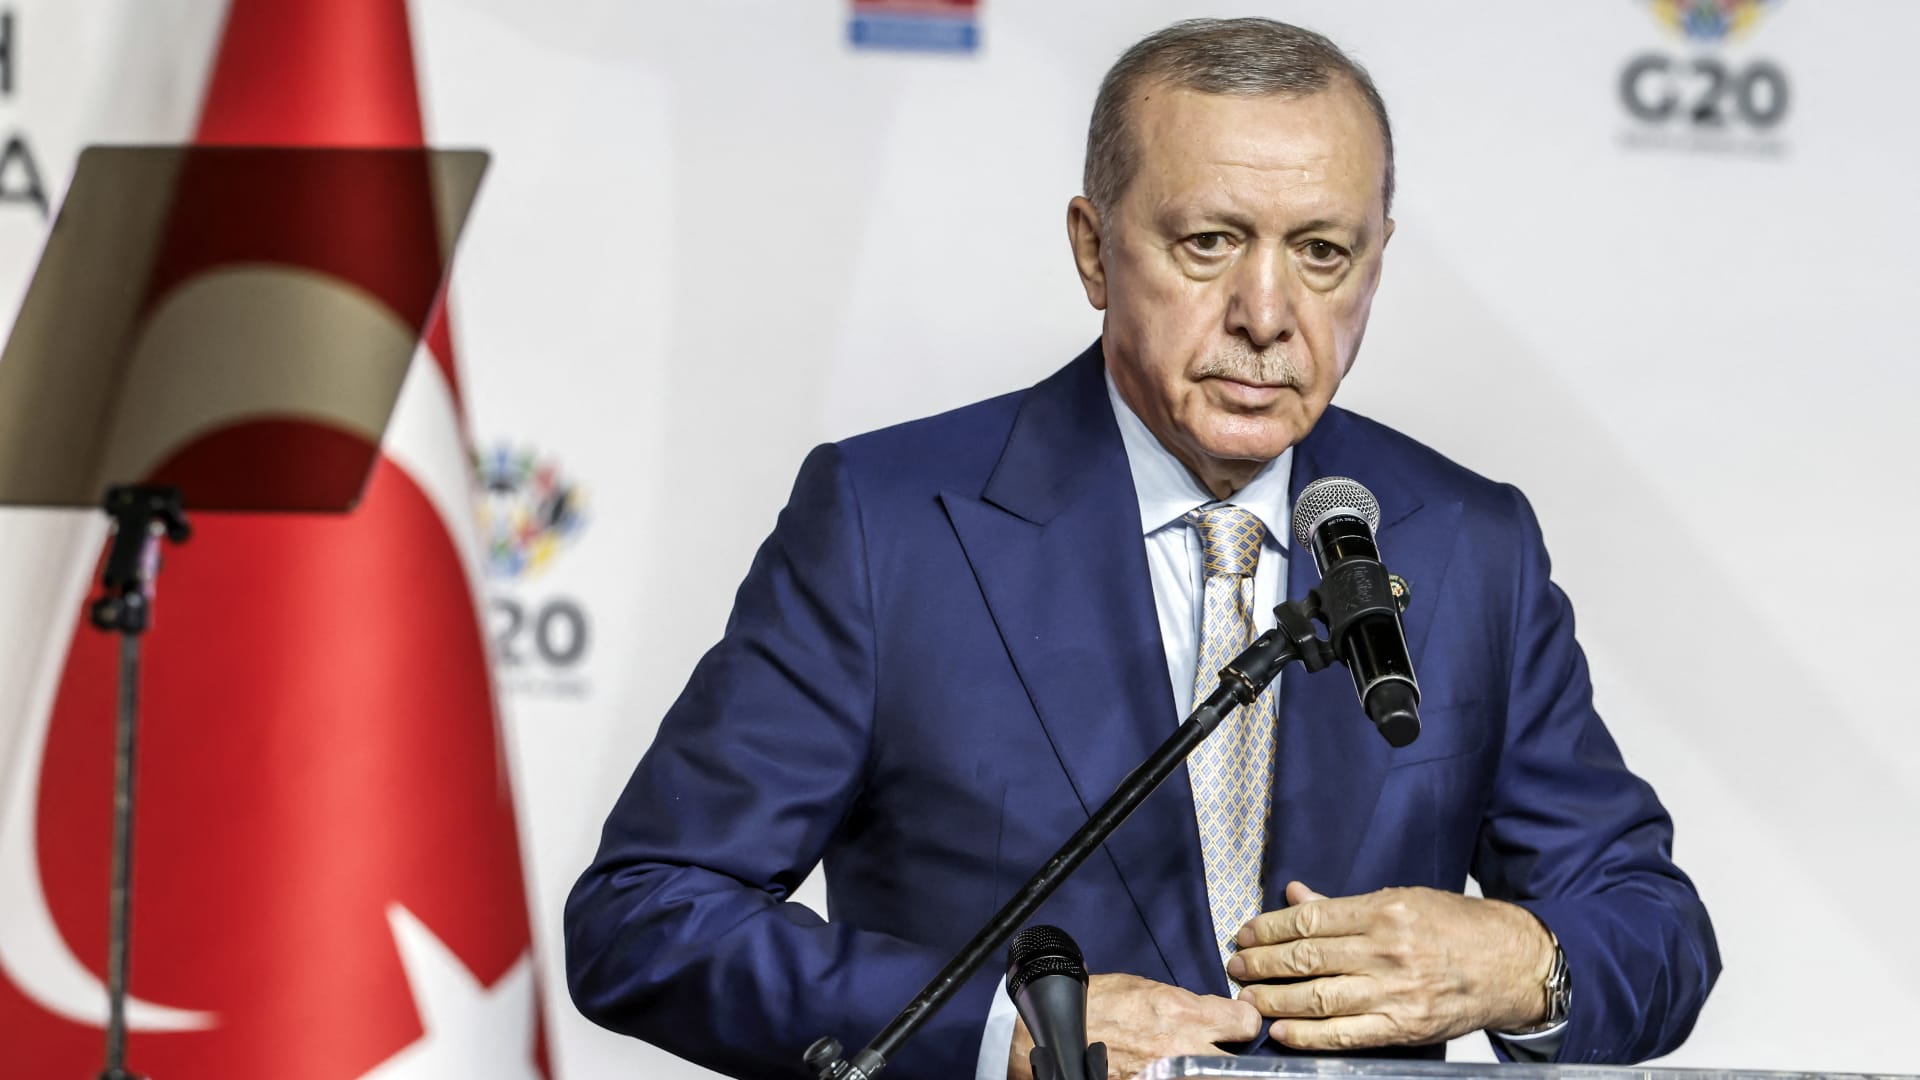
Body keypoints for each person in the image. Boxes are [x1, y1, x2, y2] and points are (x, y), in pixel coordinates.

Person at [564, 18, 1719, 1080]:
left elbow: (1651, 925)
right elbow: (649, 913)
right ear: (1094, 249)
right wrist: (1005, 1034)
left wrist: (1520, 963)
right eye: (1211, 242)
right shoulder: (889, 525)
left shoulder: (1470, 544)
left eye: (1322, 253)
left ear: (1376, 262)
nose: (1266, 314)